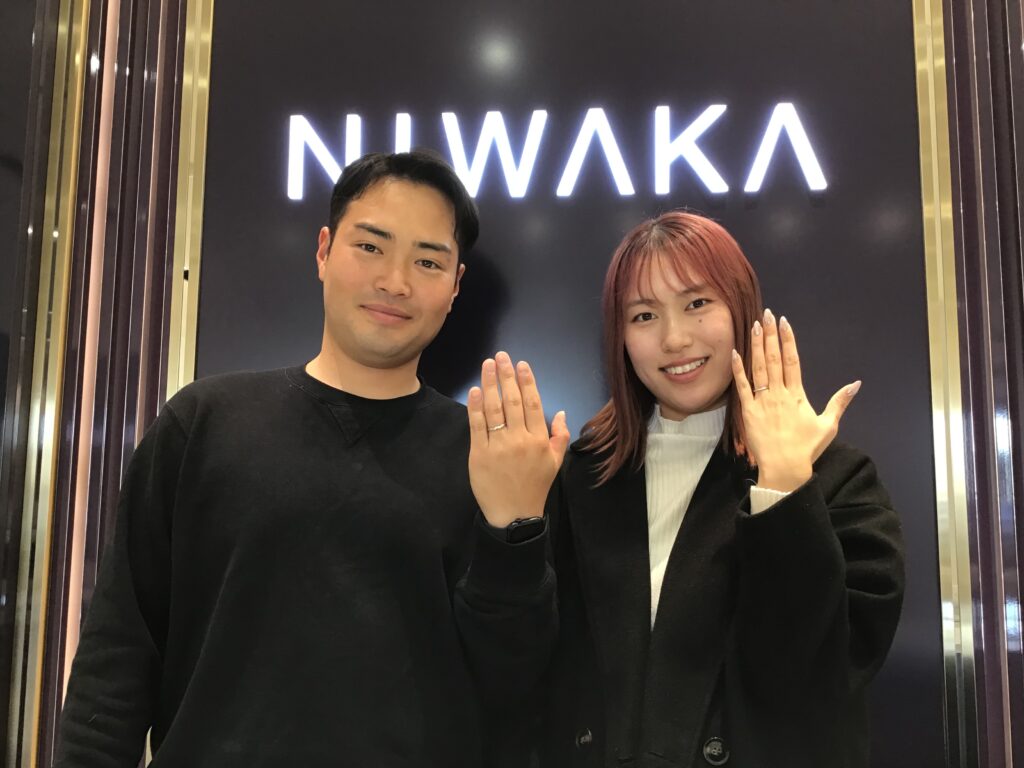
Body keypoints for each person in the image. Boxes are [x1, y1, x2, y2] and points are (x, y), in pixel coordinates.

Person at [55, 151, 567, 768]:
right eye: (370, 246)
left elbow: (514, 689)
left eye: (427, 261)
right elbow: (116, 656)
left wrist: (515, 530)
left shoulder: (487, 457)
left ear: (455, 286)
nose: (395, 281)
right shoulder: (204, 423)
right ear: (324, 251)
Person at [540, 211, 905, 768]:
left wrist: (784, 488)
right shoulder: (584, 476)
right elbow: (538, 670)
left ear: (741, 308)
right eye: (644, 315)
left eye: (697, 303)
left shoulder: (836, 478)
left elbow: (817, 677)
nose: (674, 338)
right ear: (620, 338)